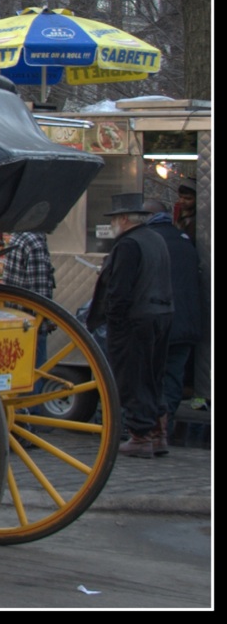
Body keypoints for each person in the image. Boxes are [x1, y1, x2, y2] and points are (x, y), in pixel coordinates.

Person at [86, 193, 173, 458]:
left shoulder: (128, 245)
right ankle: (157, 433)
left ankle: (140, 435)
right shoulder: (156, 239)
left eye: (115, 219)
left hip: (135, 319)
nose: (113, 224)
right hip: (161, 314)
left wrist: (113, 319)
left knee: (132, 377)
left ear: (123, 219)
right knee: (153, 376)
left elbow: (120, 290)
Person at [143, 198, 205, 444]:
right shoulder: (185, 242)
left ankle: (153, 428)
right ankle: (165, 425)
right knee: (173, 376)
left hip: (161, 320)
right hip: (189, 323)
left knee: (151, 375)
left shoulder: (150, 242)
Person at [1, 231, 57, 367]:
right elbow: (40, 292)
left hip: (14, 318)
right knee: (34, 375)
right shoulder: (34, 244)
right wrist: (49, 321)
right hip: (32, 323)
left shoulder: (18, 237)